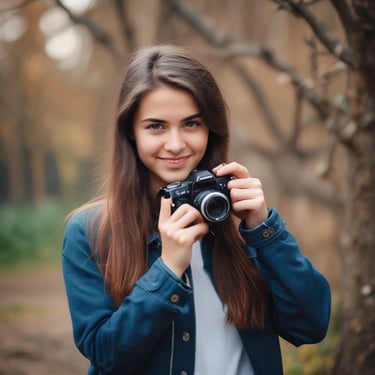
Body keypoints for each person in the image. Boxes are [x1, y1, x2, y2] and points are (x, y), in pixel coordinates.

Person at [62, 44, 331, 375]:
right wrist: (168, 270)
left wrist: (264, 230)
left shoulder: (239, 221)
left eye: (191, 124)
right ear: (131, 132)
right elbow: (106, 355)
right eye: (156, 126)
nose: (176, 144)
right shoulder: (91, 232)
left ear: (211, 128)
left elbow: (311, 326)